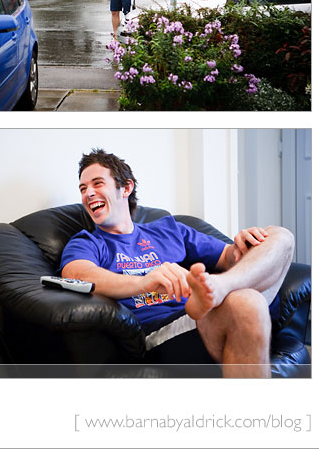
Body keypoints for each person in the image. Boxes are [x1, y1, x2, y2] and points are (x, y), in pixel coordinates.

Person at [58, 148, 294, 378]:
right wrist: (145, 282)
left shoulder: (168, 229)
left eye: (97, 183)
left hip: (207, 307)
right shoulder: (88, 242)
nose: (88, 193)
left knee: (279, 236)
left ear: (126, 187)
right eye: (83, 188)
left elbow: (229, 257)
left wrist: (245, 244)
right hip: (161, 329)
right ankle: (221, 291)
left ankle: (223, 286)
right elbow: (78, 274)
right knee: (246, 301)